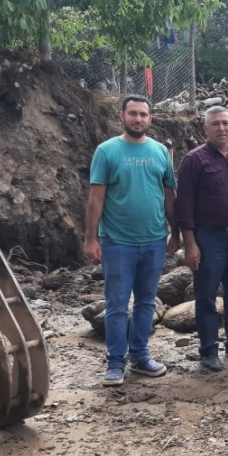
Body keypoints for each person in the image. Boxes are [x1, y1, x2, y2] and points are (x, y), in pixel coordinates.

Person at [84, 95, 180, 386]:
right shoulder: (107, 151)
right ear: (122, 116)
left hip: (154, 241)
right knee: (116, 304)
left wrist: (175, 232)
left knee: (146, 302)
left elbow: (169, 196)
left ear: (151, 119)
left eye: (143, 114)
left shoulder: (161, 152)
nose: (138, 119)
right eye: (133, 114)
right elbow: (95, 198)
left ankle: (140, 356)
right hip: (117, 242)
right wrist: (90, 237)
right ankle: (115, 362)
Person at [175, 106, 228, 372]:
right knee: (206, 296)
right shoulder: (194, 160)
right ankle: (209, 350)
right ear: (205, 129)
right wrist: (190, 243)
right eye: (215, 124)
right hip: (208, 239)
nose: (222, 128)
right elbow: (184, 204)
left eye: (226, 123)